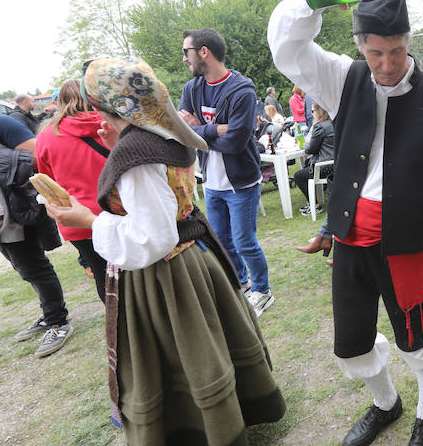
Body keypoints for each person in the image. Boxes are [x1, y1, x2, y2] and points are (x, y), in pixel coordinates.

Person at [268, 0, 423, 446]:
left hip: (411, 240)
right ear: (360, 46)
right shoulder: (343, 79)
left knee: (419, 336)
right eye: (376, 52)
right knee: (351, 343)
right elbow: (286, 48)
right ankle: (387, 403)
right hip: (350, 237)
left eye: (398, 51)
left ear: (409, 42)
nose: (386, 64)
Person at [45, 56, 285, 443]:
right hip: (193, 259)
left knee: (186, 355)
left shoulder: (137, 153)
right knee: (209, 346)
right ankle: (237, 409)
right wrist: (118, 142)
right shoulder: (164, 132)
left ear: (103, 104)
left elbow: (152, 237)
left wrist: (86, 220)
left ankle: (201, 429)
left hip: (166, 275)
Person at [177, 28, 274, 317]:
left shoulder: (241, 89)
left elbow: (235, 141)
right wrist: (215, 128)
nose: (184, 59)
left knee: (245, 241)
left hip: (241, 182)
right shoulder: (191, 89)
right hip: (212, 183)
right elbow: (182, 131)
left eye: (186, 52)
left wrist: (199, 129)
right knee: (221, 240)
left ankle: (262, 290)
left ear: (203, 51)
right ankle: (241, 285)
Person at [0, 89, 73, 358]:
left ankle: (58, 321)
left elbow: (38, 155)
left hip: (15, 210)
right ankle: (49, 313)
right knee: (22, 266)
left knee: (34, 265)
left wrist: (4, 167)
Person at [35, 79, 109, 302]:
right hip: (117, 213)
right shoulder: (111, 124)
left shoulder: (48, 136)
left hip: (76, 218)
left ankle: (120, 330)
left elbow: (47, 179)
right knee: (137, 274)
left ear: (60, 101)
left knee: (101, 275)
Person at [294, 102, 335, 217]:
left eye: (312, 111)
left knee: (298, 176)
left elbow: (310, 149)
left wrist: (306, 142)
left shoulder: (319, 126)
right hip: (337, 164)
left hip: (325, 167)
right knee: (307, 167)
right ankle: (314, 202)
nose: (312, 114)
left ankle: (315, 205)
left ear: (319, 111)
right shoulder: (333, 123)